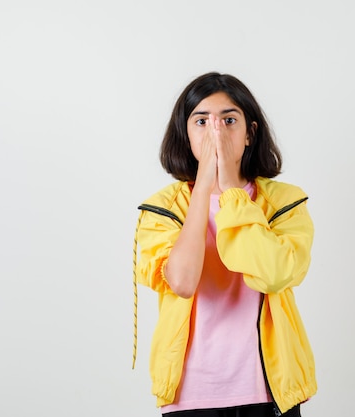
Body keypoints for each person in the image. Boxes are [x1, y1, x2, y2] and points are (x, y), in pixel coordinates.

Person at [132, 72, 316, 417]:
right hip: (190, 394)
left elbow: (273, 275)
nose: (216, 131)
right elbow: (182, 283)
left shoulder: (284, 202)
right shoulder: (163, 208)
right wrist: (203, 189)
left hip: (267, 390)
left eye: (229, 120)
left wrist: (231, 190)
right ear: (186, 136)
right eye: (201, 121)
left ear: (250, 133)